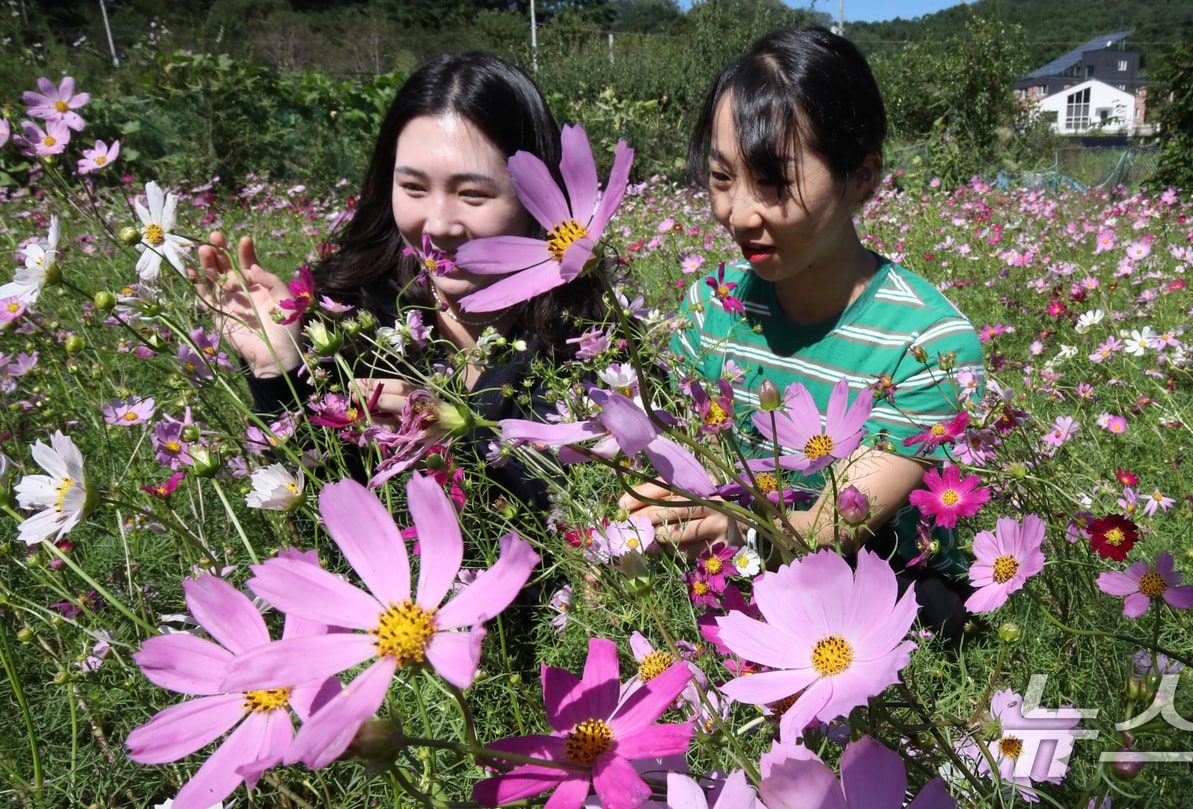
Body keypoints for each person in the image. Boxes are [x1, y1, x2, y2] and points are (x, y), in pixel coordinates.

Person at [622, 28, 984, 634]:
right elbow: (689, 462)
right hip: (739, 562)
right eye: (720, 177)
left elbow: (830, 530)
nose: (738, 213)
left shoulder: (929, 344)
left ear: (861, 177)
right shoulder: (711, 307)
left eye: (772, 181)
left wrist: (735, 530)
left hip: (882, 585)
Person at [193, 53, 608, 507]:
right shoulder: (351, 315)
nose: (437, 224)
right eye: (413, 187)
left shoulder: (592, 341)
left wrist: (447, 443)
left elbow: (582, 524)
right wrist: (279, 370)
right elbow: (312, 505)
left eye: (473, 194)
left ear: (540, 197)